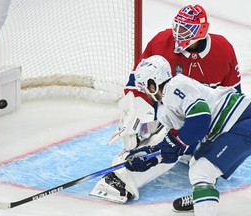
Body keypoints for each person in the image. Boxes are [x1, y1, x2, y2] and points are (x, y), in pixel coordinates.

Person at [90, 4, 242, 210]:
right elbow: (137, 82)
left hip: (210, 119)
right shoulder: (161, 42)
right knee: (160, 140)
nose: (179, 34)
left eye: (186, 29)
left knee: (198, 163)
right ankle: (122, 177)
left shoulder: (223, 49)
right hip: (170, 112)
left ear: (202, 30)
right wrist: (135, 116)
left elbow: (233, 95)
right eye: (178, 27)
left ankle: (200, 184)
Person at [123, 55, 251, 216]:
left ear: (152, 83)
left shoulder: (176, 86)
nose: (144, 92)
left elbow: (200, 120)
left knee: (202, 171)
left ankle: (204, 203)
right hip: (225, 128)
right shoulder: (165, 110)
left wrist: (174, 142)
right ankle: (202, 197)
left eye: (143, 87)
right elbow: (176, 146)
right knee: (196, 163)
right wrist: (150, 156)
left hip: (241, 122)